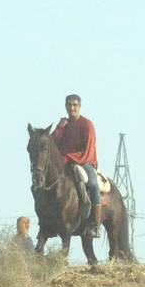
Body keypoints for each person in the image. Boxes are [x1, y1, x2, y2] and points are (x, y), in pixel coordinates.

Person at [53, 93, 102, 234]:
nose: (72, 108)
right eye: (69, 105)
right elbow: (53, 145)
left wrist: (68, 158)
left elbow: (88, 150)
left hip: (84, 162)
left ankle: (95, 224)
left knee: (93, 185)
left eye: (74, 105)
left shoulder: (87, 124)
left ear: (79, 106)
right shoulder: (64, 124)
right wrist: (59, 128)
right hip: (65, 163)